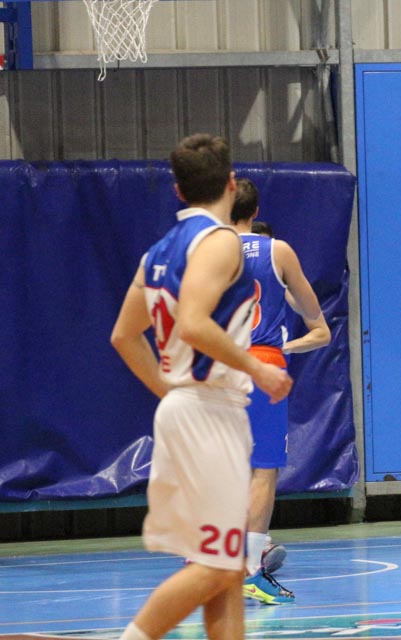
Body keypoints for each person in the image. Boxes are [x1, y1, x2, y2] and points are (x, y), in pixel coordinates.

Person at [109, 134, 292, 640]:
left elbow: (124, 336)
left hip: (191, 408)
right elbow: (193, 322)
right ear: (231, 184)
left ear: (178, 190)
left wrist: (170, 393)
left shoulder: (157, 252)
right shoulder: (219, 240)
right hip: (210, 411)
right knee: (218, 568)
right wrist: (258, 369)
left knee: (226, 570)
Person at [231, 178, 331, 604]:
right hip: (261, 364)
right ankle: (251, 570)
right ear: (255, 211)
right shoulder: (277, 251)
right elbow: (316, 320)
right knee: (262, 470)